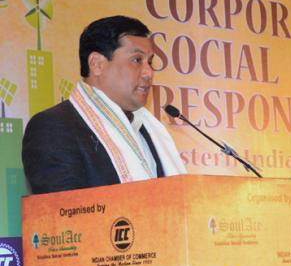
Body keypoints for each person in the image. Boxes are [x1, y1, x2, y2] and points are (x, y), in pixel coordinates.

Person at [22, 15, 186, 194]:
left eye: (150, 62)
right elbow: (63, 208)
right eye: (137, 60)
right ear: (97, 64)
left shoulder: (150, 129)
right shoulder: (54, 127)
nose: (149, 73)